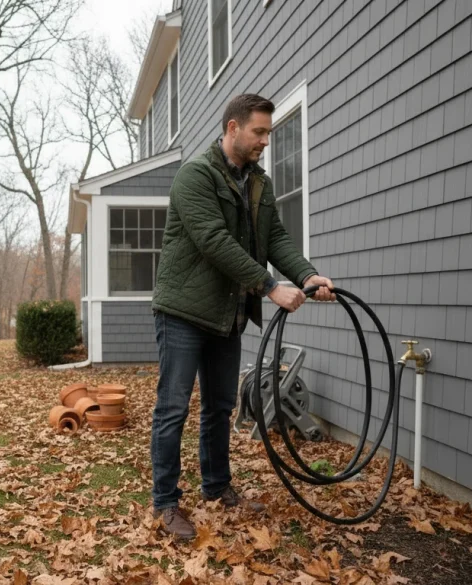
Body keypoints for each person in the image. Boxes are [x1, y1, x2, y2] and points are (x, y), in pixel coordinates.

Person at [149, 93, 335, 540]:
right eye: (259, 131)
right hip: (184, 310)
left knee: (220, 407)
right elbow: (215, 241)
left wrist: (308, 275)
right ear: (233, 128)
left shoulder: (259, 183)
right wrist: (271, 287)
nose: (265, 141)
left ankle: (216, 488)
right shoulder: (195, 176)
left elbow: (274, 239)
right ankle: (166, 504)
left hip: (226, 313)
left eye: (268, 133)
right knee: (173, 408)